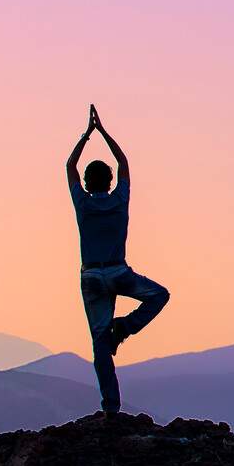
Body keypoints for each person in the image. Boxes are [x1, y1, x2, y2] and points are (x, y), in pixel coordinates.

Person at [65, 105, 169, 414]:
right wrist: (104, 132)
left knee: (99, 345)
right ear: (111, 181)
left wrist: (86, 136)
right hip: (119, 271)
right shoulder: (120, 199)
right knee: (159, 295)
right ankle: (123, 328)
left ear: (86, 181)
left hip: (92, 277)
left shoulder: (82, 202)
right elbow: (123, 161)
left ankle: (111, 406)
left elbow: (69, 165)